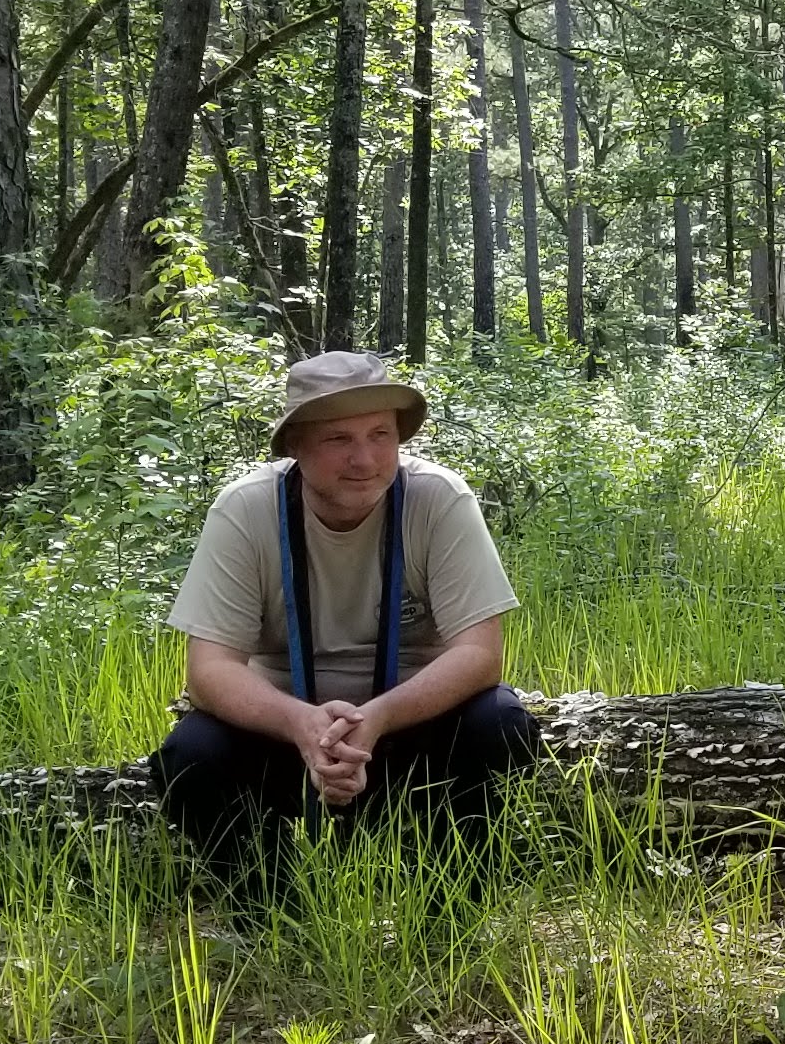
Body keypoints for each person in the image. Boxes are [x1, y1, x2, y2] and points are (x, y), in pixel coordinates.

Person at [151, 350, 540, 865]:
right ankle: (268, 902)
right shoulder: (247, 508)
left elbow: (480, 654)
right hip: (286, 733)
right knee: (190, 755)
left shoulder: (437, 498)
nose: (365, 459)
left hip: (409, 729)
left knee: (500, 723)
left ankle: (451, 896)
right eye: (339, 439)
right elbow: (209, 671)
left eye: (380, 435)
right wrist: (302, 725)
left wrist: (377, 718)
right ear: (296, 444)